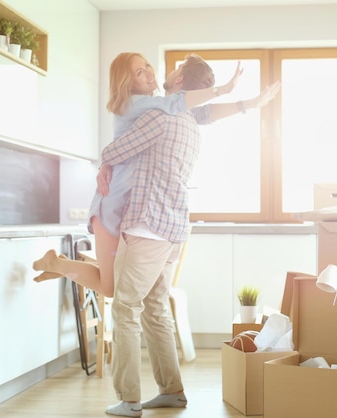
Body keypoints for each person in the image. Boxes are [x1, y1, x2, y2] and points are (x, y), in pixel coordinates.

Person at [99, 56, 280, 417]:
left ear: (179, 77)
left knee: (126, 308)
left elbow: (116, 151)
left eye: (168, 68)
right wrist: (249, 103)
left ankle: (129, 399)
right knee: (154, 309)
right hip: (173, 230)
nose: (157, 72)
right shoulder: (187, 120)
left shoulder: (158, 116)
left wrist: (105, 159)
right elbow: (209, 112)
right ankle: (172, 390)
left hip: (148, 226)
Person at [32, 53, 279, 299]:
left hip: (129, 209)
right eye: (140, 72)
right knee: (110, 288)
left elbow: (200, 114)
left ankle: (59, 265)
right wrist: (224, 89)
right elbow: (178, 105)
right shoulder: (134, 104)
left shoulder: (157, 106)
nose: (149, 72)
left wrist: (250, 104)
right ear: (127, 83)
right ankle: (57, 265)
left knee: (116, 283)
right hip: (111, 204)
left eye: (147, 65)